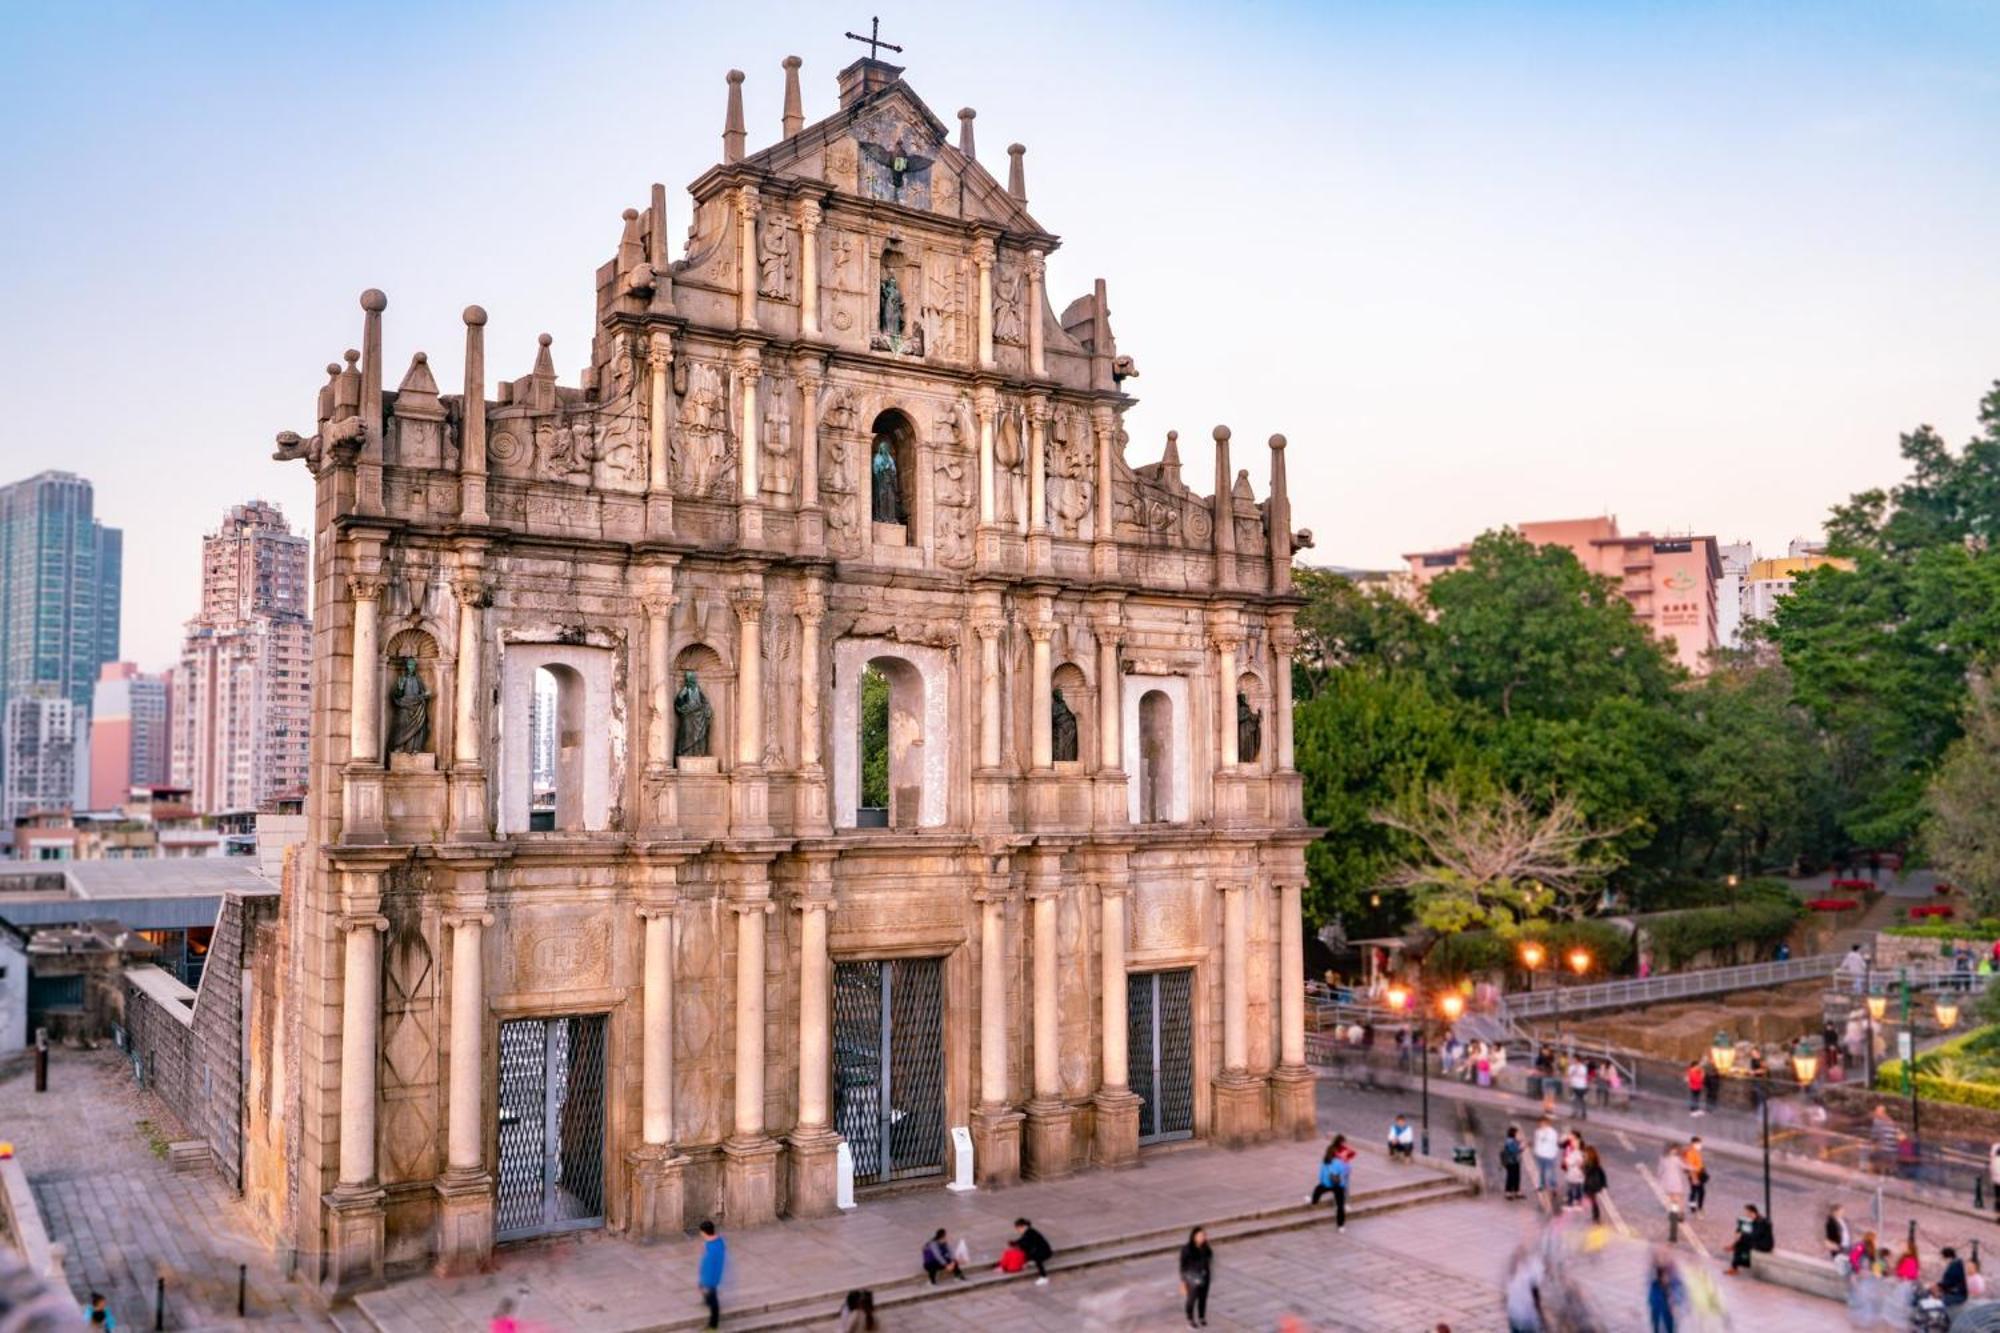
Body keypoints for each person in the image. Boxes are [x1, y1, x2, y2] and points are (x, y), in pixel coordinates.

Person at [1311, 1136, 1352, 1229]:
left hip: (1326, 1184)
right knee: (1340, 1206)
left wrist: (1323, 1182)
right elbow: (1344, 1173)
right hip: (1338, 1185)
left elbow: (1321, 1175)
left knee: (1318, 1189)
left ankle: (1314, 1201)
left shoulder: (1324, 1162)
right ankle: (1340, 1225)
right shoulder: (1338, 1163)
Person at [1178, 1226, 1214, 1328]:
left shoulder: (1206, 1247)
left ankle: (1201, 1317)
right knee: (1192, 1299)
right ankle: (1190, 1318)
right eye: (1200, 1235)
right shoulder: (1187, 1249)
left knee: (1203, 1298)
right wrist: (1183, 1281)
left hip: (1204, 1276)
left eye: (1204, 1235)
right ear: (1194, 1236)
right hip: (1191, 1277)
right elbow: (1183, 1266)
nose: (1203, 1237)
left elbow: (1210, 1257)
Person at [696, 1219, 726, 1330]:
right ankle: (707, 1299)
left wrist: (707, 1283)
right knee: (706, 1293)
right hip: (709, 1277)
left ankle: (713, 1326)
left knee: (713, 1302)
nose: (700, 1233)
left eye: (701, 1231)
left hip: (710, 1280)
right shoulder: (717, 1242)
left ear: (704, 1232)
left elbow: (711, 1267)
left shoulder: (712, 1249)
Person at [1013, 1218, 1054, 1285]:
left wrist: (1017, 1244)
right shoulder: (1027, 1232)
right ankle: (1031, 1261)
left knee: (1036, 1256)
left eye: (1018, 1229)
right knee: (1026, 1250)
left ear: (1022, 1226)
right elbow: (1022, 1241)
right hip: (1039, 1250)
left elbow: (1026, 1243)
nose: (1018, 1231)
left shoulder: (1031, 1232)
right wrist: (1014, 1243)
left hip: (1045, 1252)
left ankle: (1044, 1277)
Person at [1655, 1144, 1689, 1225]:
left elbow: (1684, 1167)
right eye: (1673, 1150)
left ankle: (1679, 1214)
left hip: (1676, 1181)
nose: (1674, 1151)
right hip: (1669, 1181)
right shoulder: (1664, 1159)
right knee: (1673, 1199)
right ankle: (1677, 1213)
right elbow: (1660, 1169)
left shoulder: (1677, 1159)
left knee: (1676, 1198)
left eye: (1675, 1150)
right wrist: (1659, 1176)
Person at [1647, 1254, 1682, 1333]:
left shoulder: (1670, 1286)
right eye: (1665, 1277)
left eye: (1668, 1276)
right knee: (1658, 1324)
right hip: (1659, 1308)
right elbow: (1652, 1303)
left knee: (1669, 1326)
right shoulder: (1655, 1287)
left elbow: (1677, 1295)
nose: (1667, 1278)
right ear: (1660, 1277)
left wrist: (1674, 1304)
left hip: (1667, 1310)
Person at [1727, 1204, 1763, 1274]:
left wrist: (1742, 1235)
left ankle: (1734, 1266)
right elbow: (1746, 1230)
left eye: (1747, 1212)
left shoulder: (1760, 1221)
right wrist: (1738, 1232)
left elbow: (1756, 1235)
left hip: (1760, 1243)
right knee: (1740, 1242)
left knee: (1741, 1243)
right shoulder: (1752, 1219)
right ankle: (1734, 1266)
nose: (1746, 1214)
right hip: (1754, 1240)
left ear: (1752, 1212)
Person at [1532, 1116, 1561, 1200]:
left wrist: (1554, 1154)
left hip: (1549, 1156)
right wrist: (1536, 1151)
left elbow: (1554, 1143)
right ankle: (1542, 1185)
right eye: (1540, 1123)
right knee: (1541, 1172)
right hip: (1539, 1155)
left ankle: (1553, 1188)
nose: (1541, 1124)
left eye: (1543, 1123)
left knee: (1550, 1173)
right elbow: (1537, 1142)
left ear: (1547, 1123)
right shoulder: (1537, 1132)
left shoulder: (1552, 1133)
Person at [1582, 1145, 1608, 1224]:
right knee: (1593, 1200)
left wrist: (1582, 1166)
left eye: (1585, 1154)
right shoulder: (1595, 1163)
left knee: (1593, 1201)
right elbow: (1603, 1174)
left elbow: (1586, 1173)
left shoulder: (1590, 1164)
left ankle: (1596, 1216)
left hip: (1591, 1186)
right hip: (1593, 1185)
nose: (1584, 1155)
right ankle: (1595, 1216)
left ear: (1589, 1154)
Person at [1500, 1125, 1525, 1200]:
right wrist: (1522, 1146)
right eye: (1518, 1133)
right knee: (1511, 1177)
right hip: (1511, 1162)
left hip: (1515, 1161)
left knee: (1516, 1176)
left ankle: (1516, 1191)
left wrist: (1520, 1144)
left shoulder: (1514, 1141)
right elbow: (1514, 1151)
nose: (1519, 1135)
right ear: (1513, 1134)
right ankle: (1508, 1192)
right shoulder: (1510, 1141)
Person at [1823, 1203, 1851, 1270]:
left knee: (1846, 1260)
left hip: (1845, 1244)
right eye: (1841, 1211)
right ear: (1835, 1212)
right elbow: (1829, 1236)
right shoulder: (1831, 1223)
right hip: (1839, 1245)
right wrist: (1833, 1245)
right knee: (1842, 1261)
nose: (1843, 1212)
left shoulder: (1842, 1220)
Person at [1684, 1137, 1707, 1215]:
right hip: (1694, 1174)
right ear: (1692, 1144)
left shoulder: (1696, 1152)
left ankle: (1696, 1207)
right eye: (1698, 1144)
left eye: (1700, 1143)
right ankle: (1694, 1208)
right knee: (1697, 1191)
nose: (1700, 1145)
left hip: (1698, 1174)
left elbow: (1699, 1163)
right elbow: (1690, 1166)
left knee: (1699, 1191)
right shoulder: (1690, 1153)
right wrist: (1694, 1178)